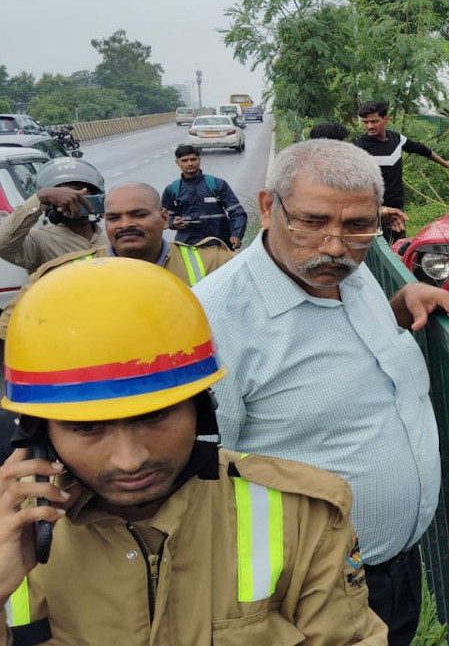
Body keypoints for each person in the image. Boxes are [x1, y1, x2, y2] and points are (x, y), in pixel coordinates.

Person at [0, 257, 388, 643]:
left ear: (203, 409)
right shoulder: (8, 532)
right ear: (40, 434)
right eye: (87, 429)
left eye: (155, 417)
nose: (129, 459)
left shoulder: (302, 516)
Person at [193, 139, 449, 646]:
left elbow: (344, 351)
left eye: (356, 226)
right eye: (311, 221)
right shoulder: (215, 323)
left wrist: (402, 302)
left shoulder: (349, 274)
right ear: (268, 208)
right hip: (309, 595)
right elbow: (201, 485)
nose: (334, 245)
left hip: (392, 564)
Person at [0, 183, 234, 338]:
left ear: (164, 219)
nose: (125, 224)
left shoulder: (212, 262)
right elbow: (10, 324)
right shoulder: (69, 272)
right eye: (114, 218)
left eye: (138, 214)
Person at [353, 101, 449, 242]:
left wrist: (446, 164)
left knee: (398, 246)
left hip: (397, 207)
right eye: (366, 122)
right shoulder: (361, 147)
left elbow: (421, 149)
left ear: (386, 119)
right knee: (380, 251)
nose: (369, 126)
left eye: (374, 121)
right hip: (375, 211)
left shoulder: (396, 139)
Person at [0, 158, 106, 272]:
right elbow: (3, 244)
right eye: (61, 194)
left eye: (78, 191)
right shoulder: (39, 242)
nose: (70, 199)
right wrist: (40, 197)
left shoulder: (111, 236)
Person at [161, 145, 247, 250]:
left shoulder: (217, 184)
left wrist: (236, 234)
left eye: (193, 159)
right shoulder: (172, 189)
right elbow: (164, 217)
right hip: (187, 246)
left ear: (199, 160)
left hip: (220, 244)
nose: (190, 163)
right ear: (177, 163)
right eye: (184, 160)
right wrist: (172, 222)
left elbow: (237, 212)